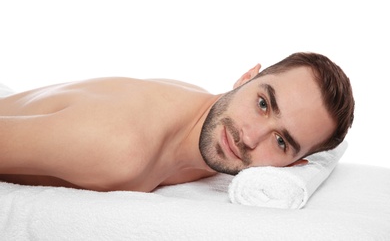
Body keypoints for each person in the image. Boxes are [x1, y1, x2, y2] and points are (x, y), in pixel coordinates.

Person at [0, 52, 354, 192]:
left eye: (281, 142)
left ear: (295, 164)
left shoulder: (204, 116)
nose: (250, 137)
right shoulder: (119, 144)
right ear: (246, 77)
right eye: (263, 103)